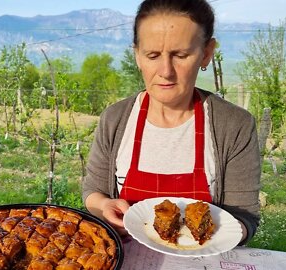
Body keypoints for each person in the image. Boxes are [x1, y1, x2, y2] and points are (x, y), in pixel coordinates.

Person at [82, 0, 260, 245]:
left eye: (181, 55)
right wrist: (104, 206)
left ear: (206, 54)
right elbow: (92, 191)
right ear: (137, 56)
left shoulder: (234, 126)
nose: (166, 70)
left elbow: (245, 217)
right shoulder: (115, 119)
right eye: (152, 55)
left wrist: (215, 235)